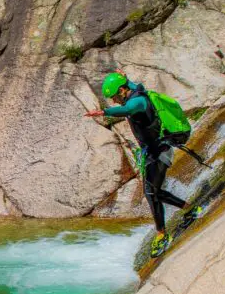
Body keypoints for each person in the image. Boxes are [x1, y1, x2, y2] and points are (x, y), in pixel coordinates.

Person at [85, 72, 201, 257]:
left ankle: (163, 233)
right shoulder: (133, 90)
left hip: (160, 151)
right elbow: (129, 88)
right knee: (152, 192)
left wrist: (104, 112)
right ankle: (190, 209)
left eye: (115, 96)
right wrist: (125, 77)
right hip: (152, 152)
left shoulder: (138, 101)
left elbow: (128, 109)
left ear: (123, 90)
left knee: (151, 192)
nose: (115, 101)